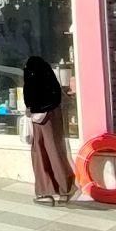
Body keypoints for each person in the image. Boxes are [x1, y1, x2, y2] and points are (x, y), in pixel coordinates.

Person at [23, 56, 75, 205]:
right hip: (51, 116)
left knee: (40, 154)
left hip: (40, 118)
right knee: (54, 151)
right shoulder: (50, 81)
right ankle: (65, 189)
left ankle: (46, 191)